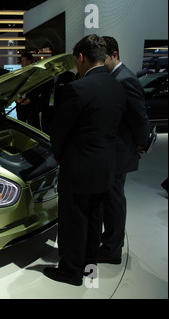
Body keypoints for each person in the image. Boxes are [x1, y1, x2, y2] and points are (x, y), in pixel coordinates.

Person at [44, 35, 126, 286]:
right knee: (94, 220)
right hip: (105, 166)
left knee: (73, 221)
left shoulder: (77, 89)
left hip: (78, 167)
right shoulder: (117, 85)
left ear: (80, 57)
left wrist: (59, 155)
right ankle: (90, 268)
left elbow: (59, 132)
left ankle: (70, 271)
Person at [99, 36, 150, 264]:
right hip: (114, 150)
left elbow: (139, 115)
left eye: (104, 58)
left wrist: (142, 142)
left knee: (114, 199)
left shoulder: (124, 79)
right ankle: (111, 239)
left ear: (114, 55)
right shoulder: (116, 77)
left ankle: (112, 249)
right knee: (111, 199)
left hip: (119, 151)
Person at [16, 53, 42, 129]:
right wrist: (17, 98)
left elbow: (39, 89)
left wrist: (30, 99)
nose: (21, 63)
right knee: (21, 128)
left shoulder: (37, 74)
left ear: (29, 61)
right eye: (21, 61)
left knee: (33, 127)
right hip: (20, 106)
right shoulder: (18, 74)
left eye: (23, 61)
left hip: (32, 106)